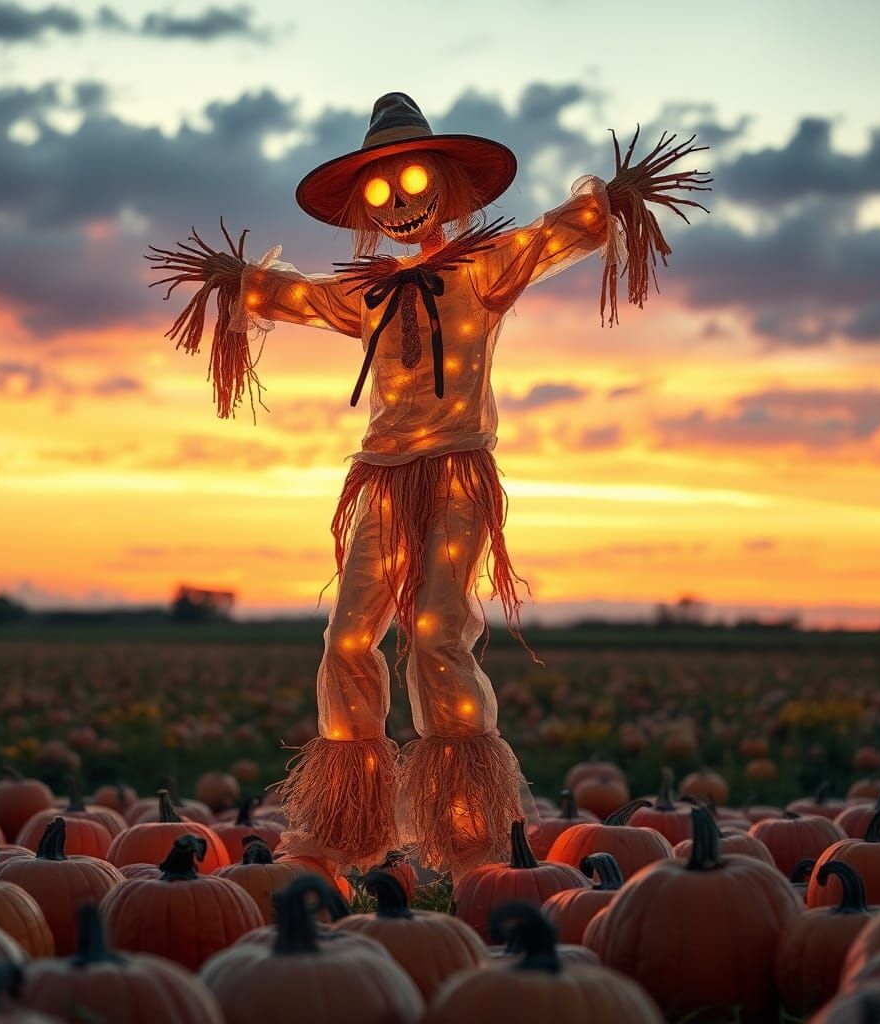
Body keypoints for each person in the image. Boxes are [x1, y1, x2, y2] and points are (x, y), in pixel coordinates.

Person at [147, 92, 710, 878]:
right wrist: (237, 281)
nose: (401, 203)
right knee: (347, 638)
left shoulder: (480, 270)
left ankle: (471, 836)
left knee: (441, 632)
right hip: (379, 480)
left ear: (445, 189)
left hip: (455, 475)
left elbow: (549, 237)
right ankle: (346, 827)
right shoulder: (366, 292)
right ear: (363, 209)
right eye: (380, 193)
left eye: (413, 183)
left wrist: (605, 207)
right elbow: (300, 294)